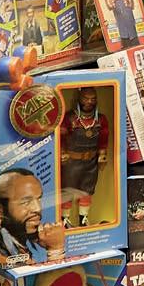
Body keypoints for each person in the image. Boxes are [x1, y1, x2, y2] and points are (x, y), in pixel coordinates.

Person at [59, 87, 109, 228]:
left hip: (91, 162)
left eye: (93, 99)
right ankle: (65, 219)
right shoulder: (69, 118)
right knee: (68, 190)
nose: (89, 102)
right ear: (79, 99)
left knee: (87, 190)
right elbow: (61, 137)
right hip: (71, 162)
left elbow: (103, 138)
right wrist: (62, 152)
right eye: (86, 99)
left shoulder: (101, 119)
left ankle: (83, 218)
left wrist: (103, 154)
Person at [0, 168, 66, 265]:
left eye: (39, 199)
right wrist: (55, 250)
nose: (38, 208)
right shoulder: (0, 252)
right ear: (0, 210)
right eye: (26, 202)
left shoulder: (18, 244)